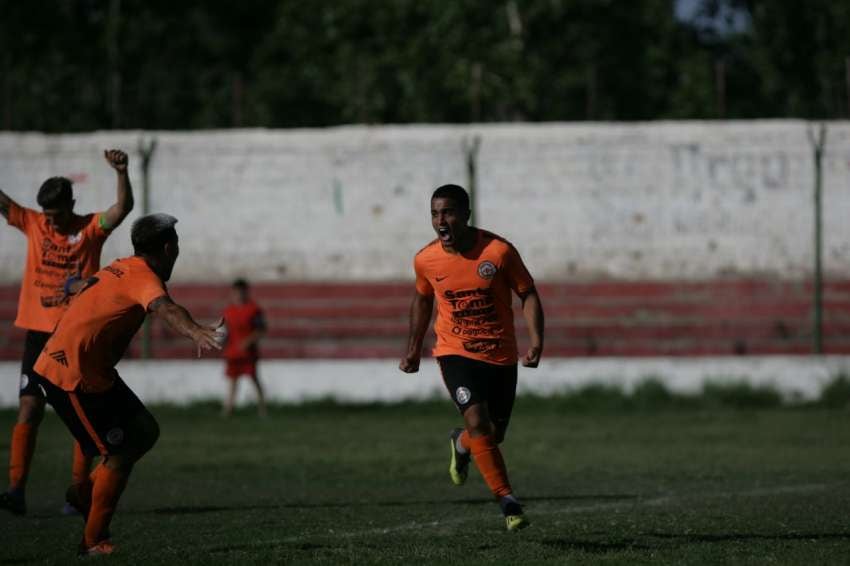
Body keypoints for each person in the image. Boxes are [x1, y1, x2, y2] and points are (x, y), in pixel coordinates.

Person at [32, 213, 221, 556]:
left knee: (144, 430)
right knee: (117, 454)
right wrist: (196, 330)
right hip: (70, 376)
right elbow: (166, 308)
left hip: (94, 372)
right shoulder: (144, 278)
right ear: (168, 248)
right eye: (176, 247)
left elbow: (88, 289)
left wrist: (74, 287)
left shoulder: (122, 266)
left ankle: (84, 493)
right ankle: (93, 541)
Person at [399, 184, 544, 531]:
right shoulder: (426, 259)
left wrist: (537, 341)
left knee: (491, 434)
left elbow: (528, 293)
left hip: (500, 355)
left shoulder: (498, 252)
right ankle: (508, 501)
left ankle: (460, 445)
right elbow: (422, 300)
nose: (440, 221)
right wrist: (414, 347)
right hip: (455, 351)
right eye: (435, 213)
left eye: (448, 212)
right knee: (478, 420)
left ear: (466, 214)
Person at [0, 150, 134, 516]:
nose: (51, 222)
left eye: (57, 215)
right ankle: (15, 491)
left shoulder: (90, 229)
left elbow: (122, 209)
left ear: (70, 206)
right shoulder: (33, 224)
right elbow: (4, 203)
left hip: (74, 336)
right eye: (47, 216)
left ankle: (77, 496)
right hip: (38, 335)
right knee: (28, 409)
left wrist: (121, 172)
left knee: (80, 419)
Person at [221, 278, 267, 417]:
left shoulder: (254, 310)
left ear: (246, 292)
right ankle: (229, 409)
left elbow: (261, 329)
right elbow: (225, 331)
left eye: (241, 292)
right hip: (232, 351)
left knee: (254, 378)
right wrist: (222, 343)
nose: (239, 295)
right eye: (236, 292)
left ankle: (262, 409)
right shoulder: (228, 311)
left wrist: (248, 341)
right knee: (232, 380)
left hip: (248, 352)